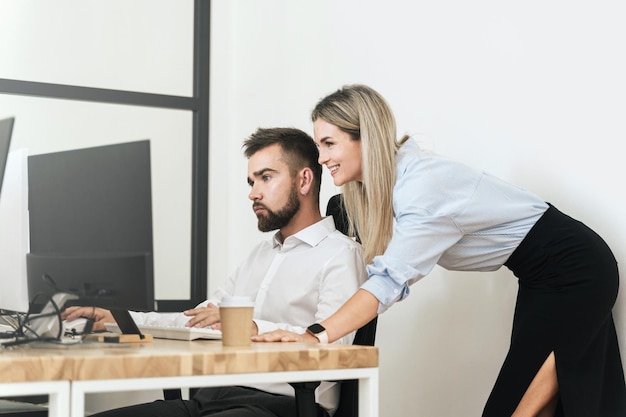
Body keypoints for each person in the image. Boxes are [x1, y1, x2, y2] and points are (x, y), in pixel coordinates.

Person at [252, 84, 626, 417]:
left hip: (577, 271)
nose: (320, 158)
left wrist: (315, 334)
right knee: (548, 400)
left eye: (329, 144)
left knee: (521, 403)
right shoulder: (392, 185)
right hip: (544, 276)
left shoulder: (421, 189)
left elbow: (388, 283)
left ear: (366, 137)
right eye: (318, 145)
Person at [62, 127, 367, 417]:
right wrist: (121, 319)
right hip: (213, 399)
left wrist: (250, 326)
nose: (253, 194)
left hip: (282, 408)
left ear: (304, 181)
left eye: (265, 178)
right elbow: (201, 320)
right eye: (251, 182)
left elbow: (336, 347)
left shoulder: (340, 254)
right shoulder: (259, 255)